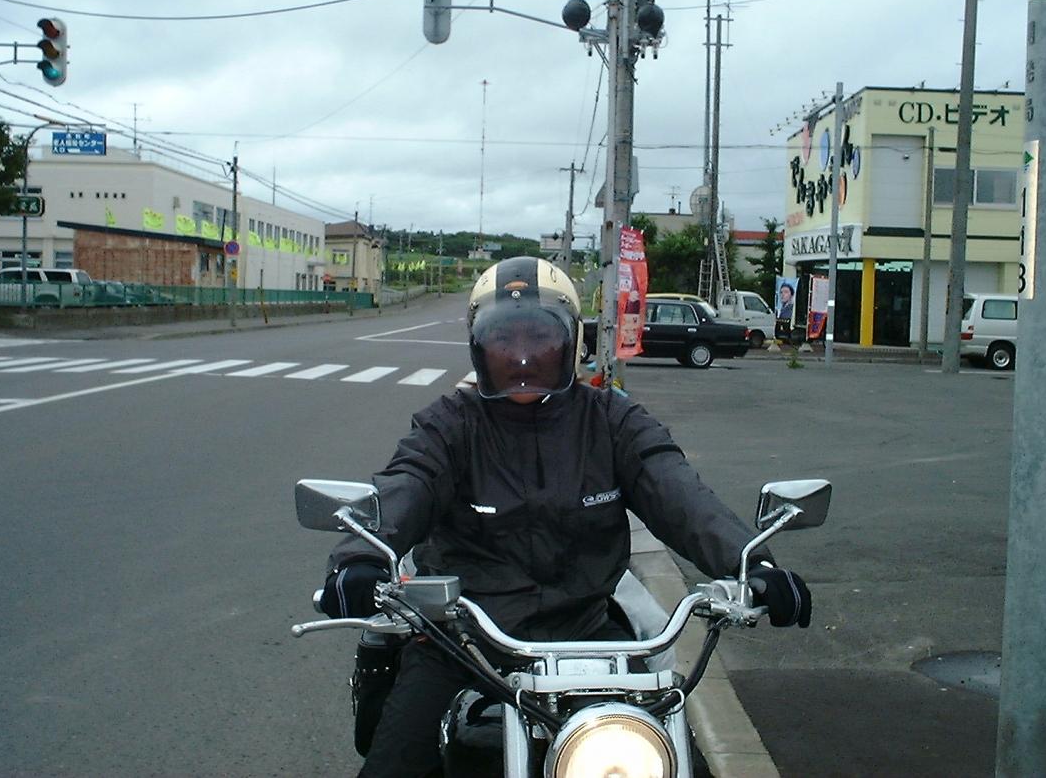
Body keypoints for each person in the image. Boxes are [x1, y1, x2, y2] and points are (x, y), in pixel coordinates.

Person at [321, 256, 812, 778]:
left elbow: (677, 491)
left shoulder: (612, 420)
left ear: (571, 342)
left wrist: (751, 564)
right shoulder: (450, 424)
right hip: (462, 639)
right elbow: (407, 483)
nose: (523, 356)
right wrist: (359, 558)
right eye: (504, 340)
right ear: (479, 347)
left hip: (588, 634)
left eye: (540, 338)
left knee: (671, 754)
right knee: (394, 762)